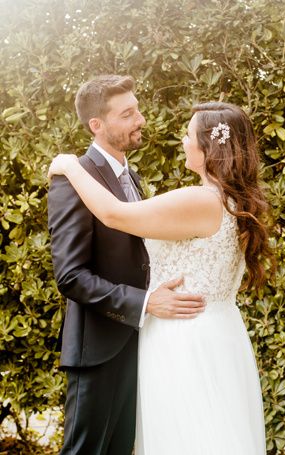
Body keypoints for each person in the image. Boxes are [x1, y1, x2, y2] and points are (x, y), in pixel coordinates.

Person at [48, 100, 274, 455]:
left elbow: (113, 214)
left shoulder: (201, 200)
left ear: (207, 148)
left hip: (185, 340)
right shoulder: (233, 200)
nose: (182, 141)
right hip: (217, 333)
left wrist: (70, 166)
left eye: (187, 135)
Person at [47, 75, 205, 455]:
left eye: (138, 110)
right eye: (128, 114)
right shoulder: (72, 180)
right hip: (98, 349)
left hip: (138, 344)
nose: (141, 120)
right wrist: (144, 303)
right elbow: (70, 276)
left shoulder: (129, 176)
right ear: (96, 126)